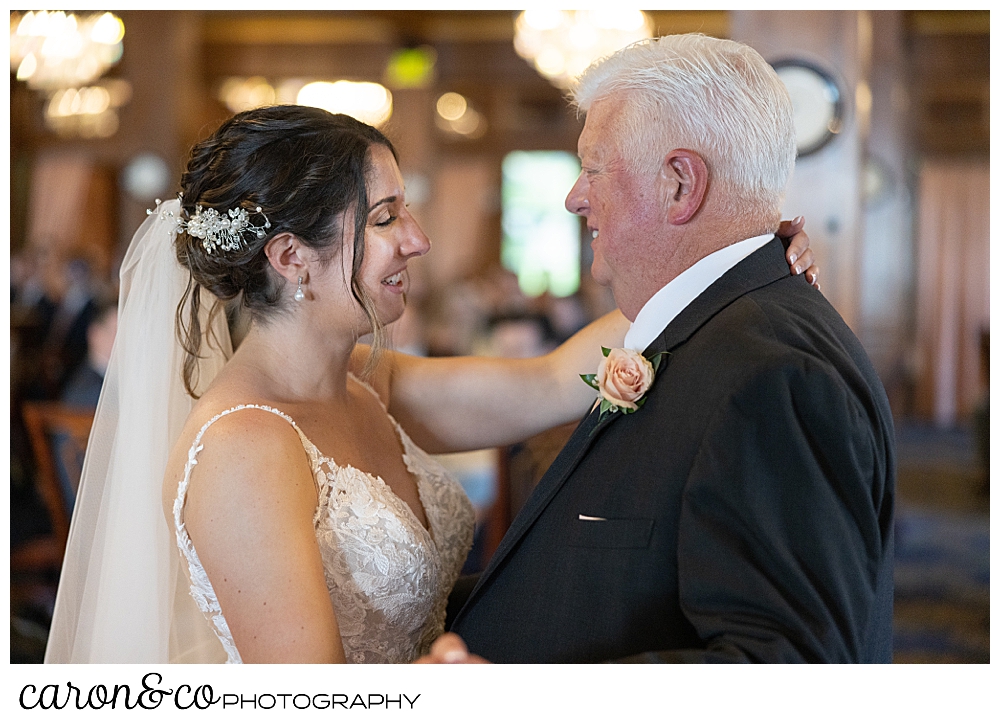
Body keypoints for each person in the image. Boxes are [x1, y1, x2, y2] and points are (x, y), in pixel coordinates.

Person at [45, 105, 817, 664]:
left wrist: (730, 254)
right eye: (384, 218)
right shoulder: (244, 446)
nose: (417, 240)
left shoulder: (372, 384)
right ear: (289, 258)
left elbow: (553, 377)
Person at [431, 34, 895, 664]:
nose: (574, 198)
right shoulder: (705, 329)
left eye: (593, 169)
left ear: (680, 184)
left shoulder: (773, 372)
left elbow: (791, 668)